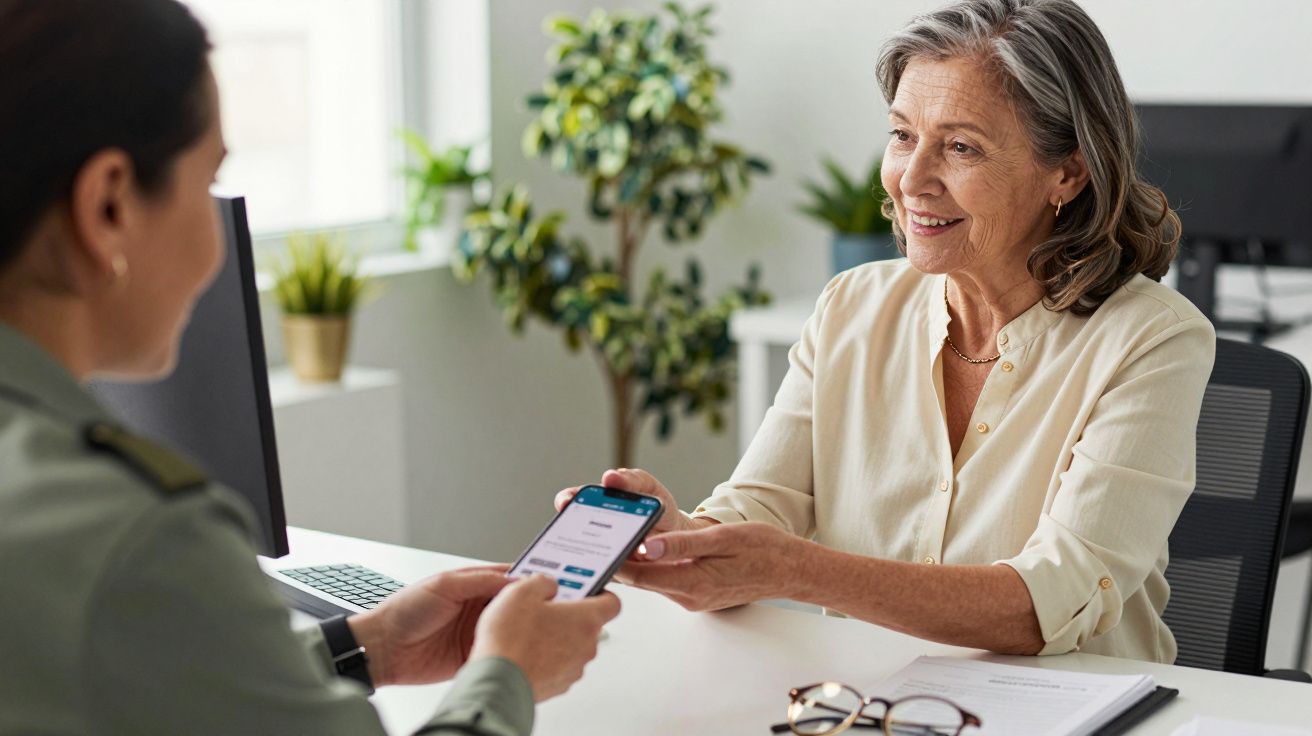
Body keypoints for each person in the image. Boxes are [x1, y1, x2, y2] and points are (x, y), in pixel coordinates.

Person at [0, 1, 618, 733]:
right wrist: (506, 674)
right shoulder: (141, 542)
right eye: (208, 184)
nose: (218, 243)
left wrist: (367, 646)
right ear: (107, 206)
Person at [559, 0, 1214, 664]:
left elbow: (1052, 601)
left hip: (1080, 712)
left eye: (960, 147)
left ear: (1068, 172)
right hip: (870, 704)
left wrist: (796, 569)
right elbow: (762, 508)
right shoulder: (854, 305)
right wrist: (680, 540)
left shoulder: (1152, 339)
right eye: (902, 135)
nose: (912, 179)